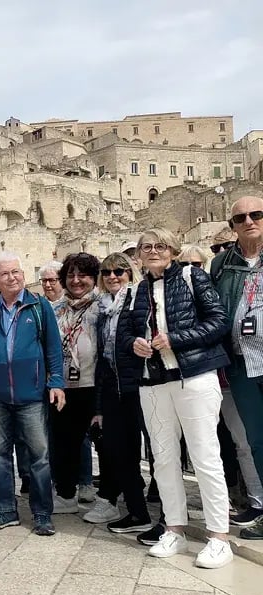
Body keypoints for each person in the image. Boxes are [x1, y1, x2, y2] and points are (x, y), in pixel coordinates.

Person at [120, 227, 232, 569]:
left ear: (172, 249)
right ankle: (174, 529)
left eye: (159, 246)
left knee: (204, 455)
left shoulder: (191, 276)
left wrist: (176, 339)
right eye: (146, 247)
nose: (153, 251)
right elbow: (125, 330)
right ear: (138, 254)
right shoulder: (136, 289)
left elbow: (219, 321)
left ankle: (219, 538)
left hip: (194, 376)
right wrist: (133, 344)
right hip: (153, 381)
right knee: (164, 457)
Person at [0, 253, 65, 536]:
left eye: (16, 272)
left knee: (39, 457)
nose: (12, 277)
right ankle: (5, 509)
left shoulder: (39, 306)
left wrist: (57, 383)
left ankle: (41, 513)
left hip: (32, 395)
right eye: (5, 274)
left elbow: (53, 347)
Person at [84, 253, 153, 533]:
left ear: (130, 272)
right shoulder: (103, 309)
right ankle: (138, 513)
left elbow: (141, 334)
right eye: (107, 272)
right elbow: (102, 358)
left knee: (158, 452)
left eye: (119, 271)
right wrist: (99, 407)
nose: (113, 276)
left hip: (140, 385)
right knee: (119, 451)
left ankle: (169, 517)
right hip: (114, 387)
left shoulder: (138, 299)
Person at [212, 196, 263, 539]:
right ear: (232, 226)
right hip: (242, 363)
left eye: (256, 214)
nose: (249, 221)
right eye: (240, 217)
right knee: (257, 440)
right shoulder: (221, 265)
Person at [50, 253, 102, 515]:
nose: (76, 280)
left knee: (103, 442)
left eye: (82, 275)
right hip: (64, 387)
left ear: (94, 278)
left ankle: (107, 498)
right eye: (70, 275)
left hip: (95, 382)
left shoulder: (103, 306)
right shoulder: (55, 309)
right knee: (64, 442)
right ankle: (66, 494)